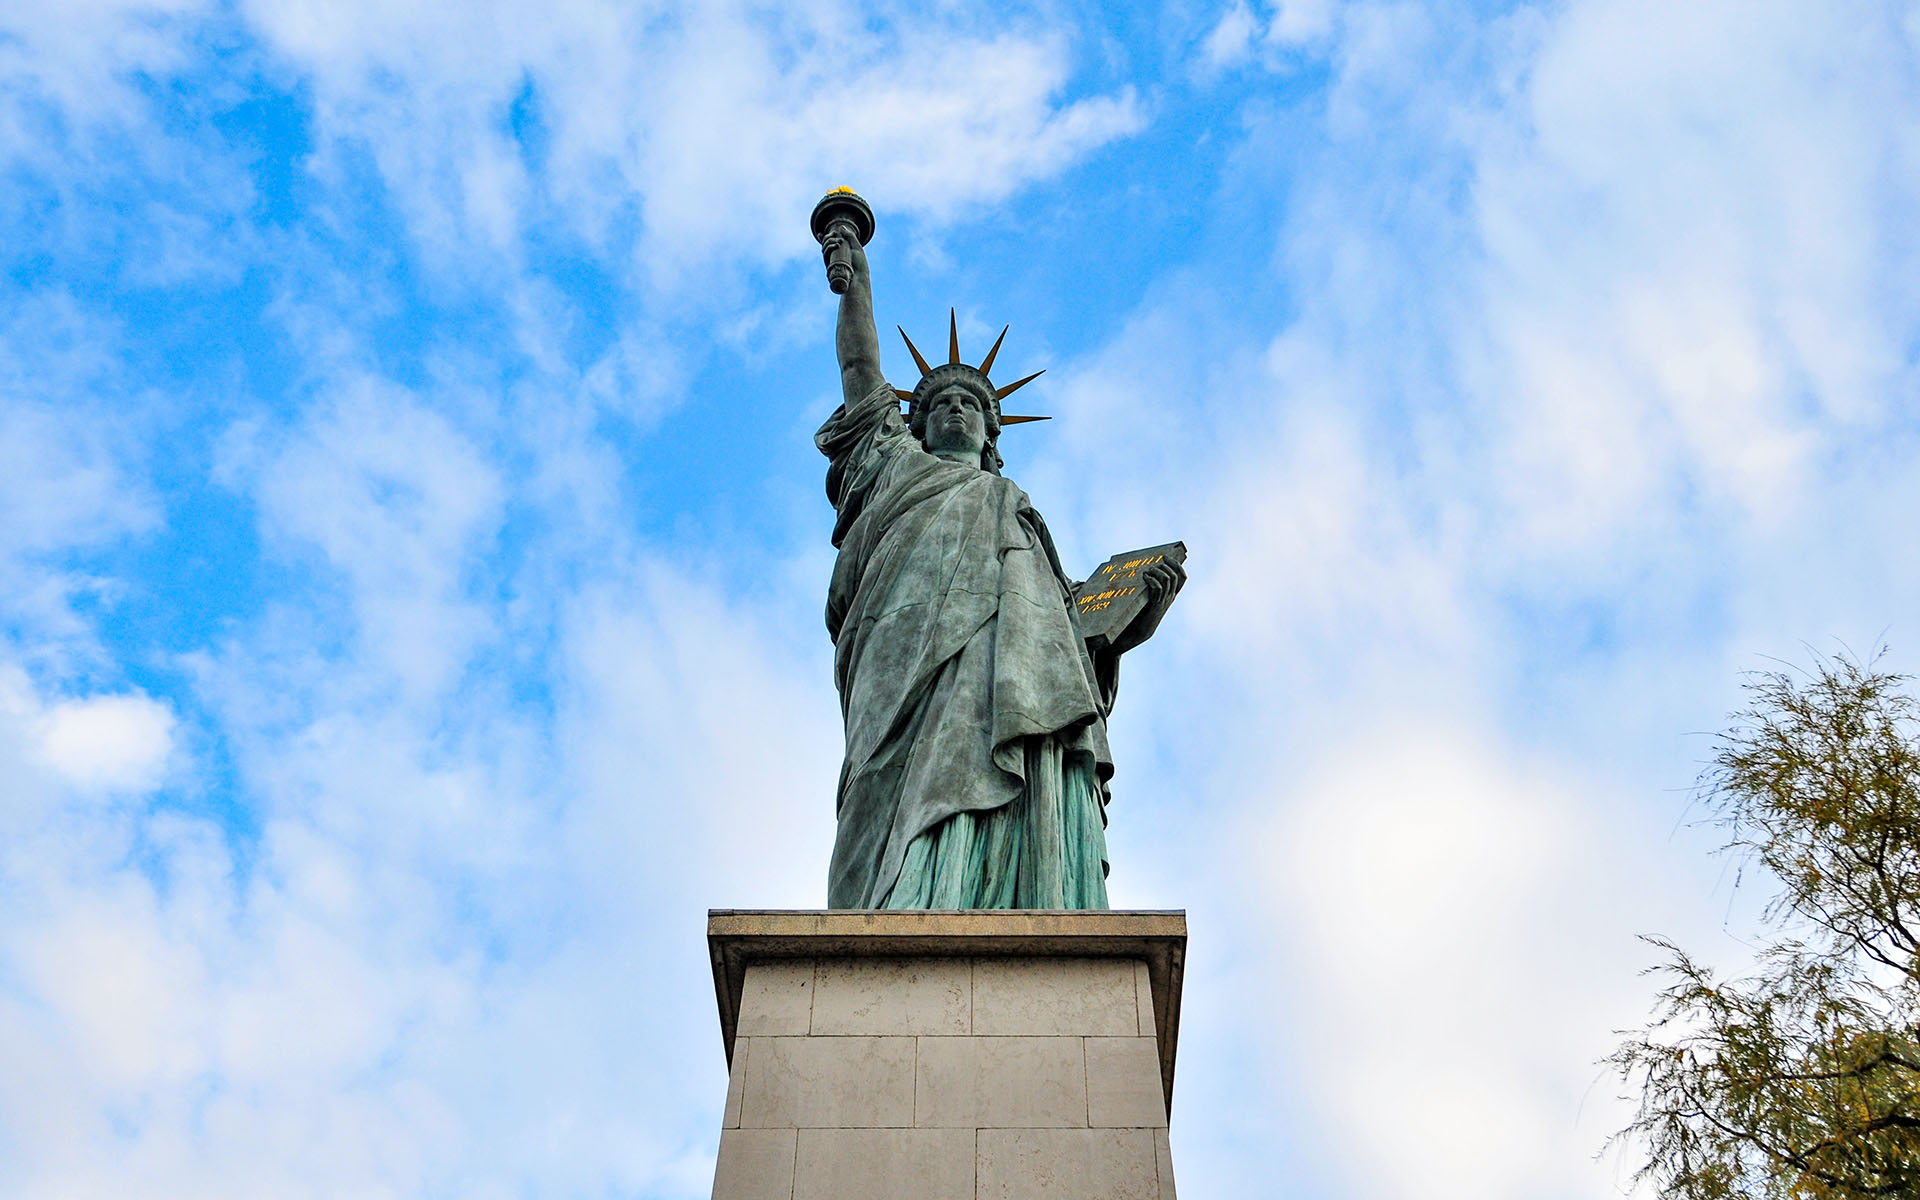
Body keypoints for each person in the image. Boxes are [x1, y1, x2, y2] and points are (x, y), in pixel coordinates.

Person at [816, 226, 1182, 909]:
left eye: (973, 406)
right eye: (939, 404)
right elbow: (862, 374)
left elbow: (1063, 641)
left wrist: (1119, 632)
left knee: (1023, 742)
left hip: (1007, 677)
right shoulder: (892, 466)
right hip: (901, 652)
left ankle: (1000, 893)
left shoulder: (1016, 510)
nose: (957, 409)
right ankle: (897, 901)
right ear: (915, 427)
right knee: (886, 779)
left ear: (991, 434)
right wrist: (857, 281)